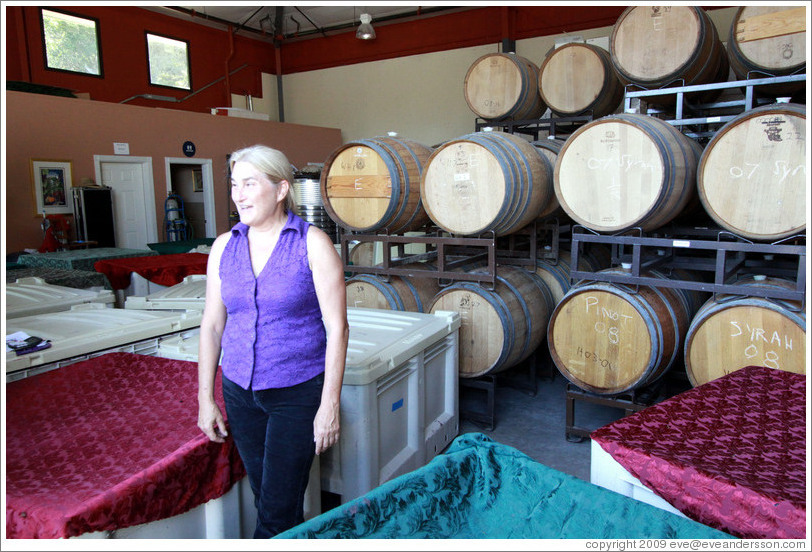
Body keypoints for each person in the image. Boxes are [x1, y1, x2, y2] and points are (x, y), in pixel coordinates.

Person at [197, 144, 348, 538]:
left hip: (296, 394)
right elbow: (213, 325)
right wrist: (205, 398)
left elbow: (338, 329)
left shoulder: (312, 244)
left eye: (249, 183)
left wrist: (329, 405)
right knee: (267, 497)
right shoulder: (222, 248)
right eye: (234, 184)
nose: (238, 194)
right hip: (240, 392)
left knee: (278, 510)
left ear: (281, 190)